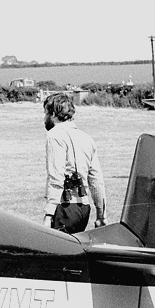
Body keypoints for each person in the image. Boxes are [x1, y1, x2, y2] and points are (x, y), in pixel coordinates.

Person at [42, 92, 107, 232]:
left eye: (46, 113)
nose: (45, 117)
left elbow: (56, 177)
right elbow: (96, 179)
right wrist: (101, 214)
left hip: (64, 208)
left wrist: (48, 214)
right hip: (83, 208)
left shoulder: (54, 136)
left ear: (53, 113)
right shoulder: (87, 138)